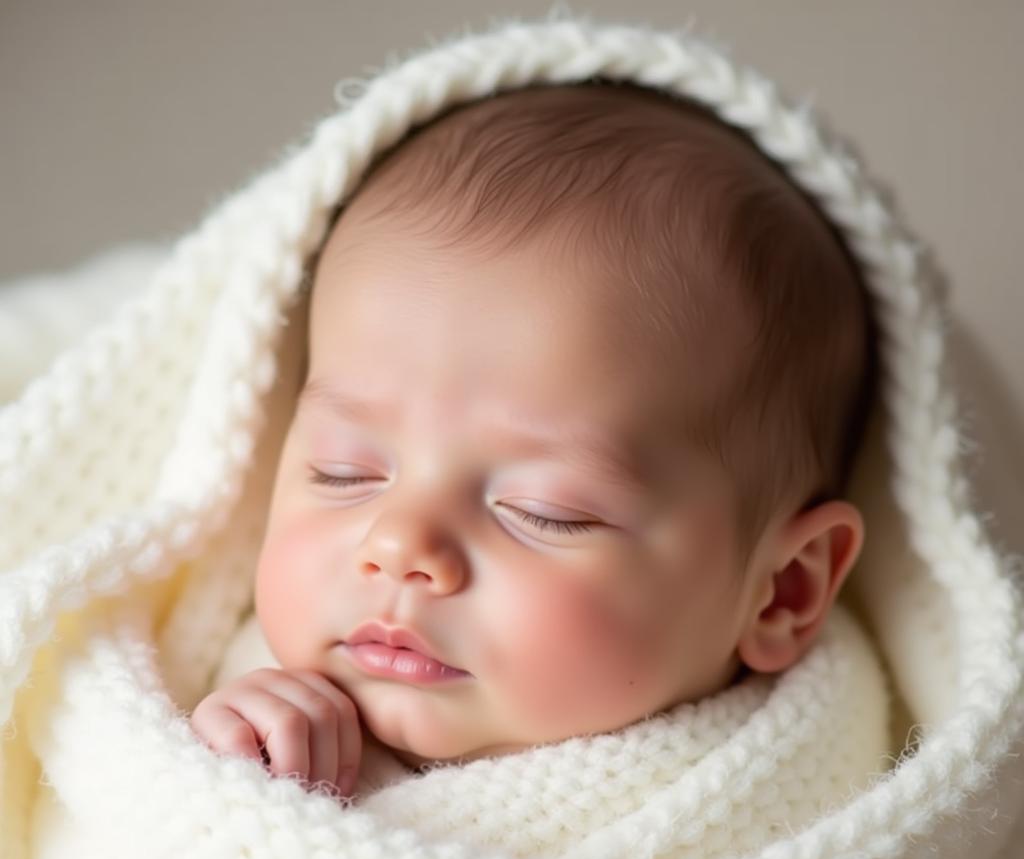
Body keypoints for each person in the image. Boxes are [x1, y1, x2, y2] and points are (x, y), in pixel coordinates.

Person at [189, 80, 875, 797]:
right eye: (343, 471)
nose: (398, 546)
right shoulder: (225, 711)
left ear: (783, 591)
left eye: (546, 511)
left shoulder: (823, 804)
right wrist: (211, 788)